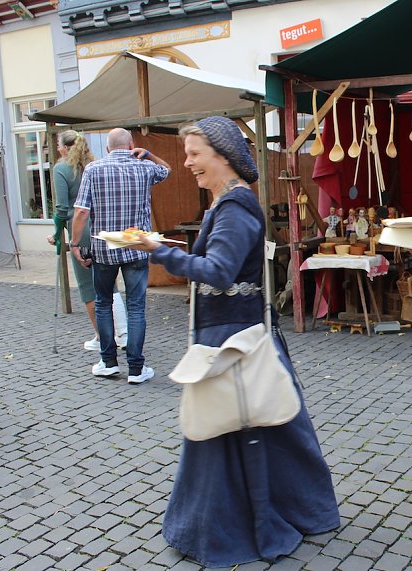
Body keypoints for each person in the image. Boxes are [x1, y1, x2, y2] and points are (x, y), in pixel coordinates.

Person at [126, 116, 339, 566]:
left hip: (235, 342)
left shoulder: (237, 207)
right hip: (231, 334)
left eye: (195, 154)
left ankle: (249, 523)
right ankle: (298, 508)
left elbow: (220, 271)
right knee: (256, 426)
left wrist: (159, 252)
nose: (187, 164)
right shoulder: (227, 203)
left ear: (223, 156)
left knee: (237, 426)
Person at [70, 128, 170, 384]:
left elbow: (81, 212)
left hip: (103, 250)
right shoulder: (144, 168)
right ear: (131, 145)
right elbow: (167, 169)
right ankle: (136, 369)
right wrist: (148, 154)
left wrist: (74, 243)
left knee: (103, 304)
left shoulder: (93, 169)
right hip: (137, 246)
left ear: (107, 148)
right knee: (136, 307)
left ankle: (108, 362)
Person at [47, 129, 128, 352]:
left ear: (65, 147)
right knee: (109, 283)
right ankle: (123, 332)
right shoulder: (95, 165)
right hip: (102, 229)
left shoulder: (61, 168)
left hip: (80, 232)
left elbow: (62, 208)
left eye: (58, 144)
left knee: (88, 287)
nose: (57, 148)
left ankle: (103, 336)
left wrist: (56, 234)